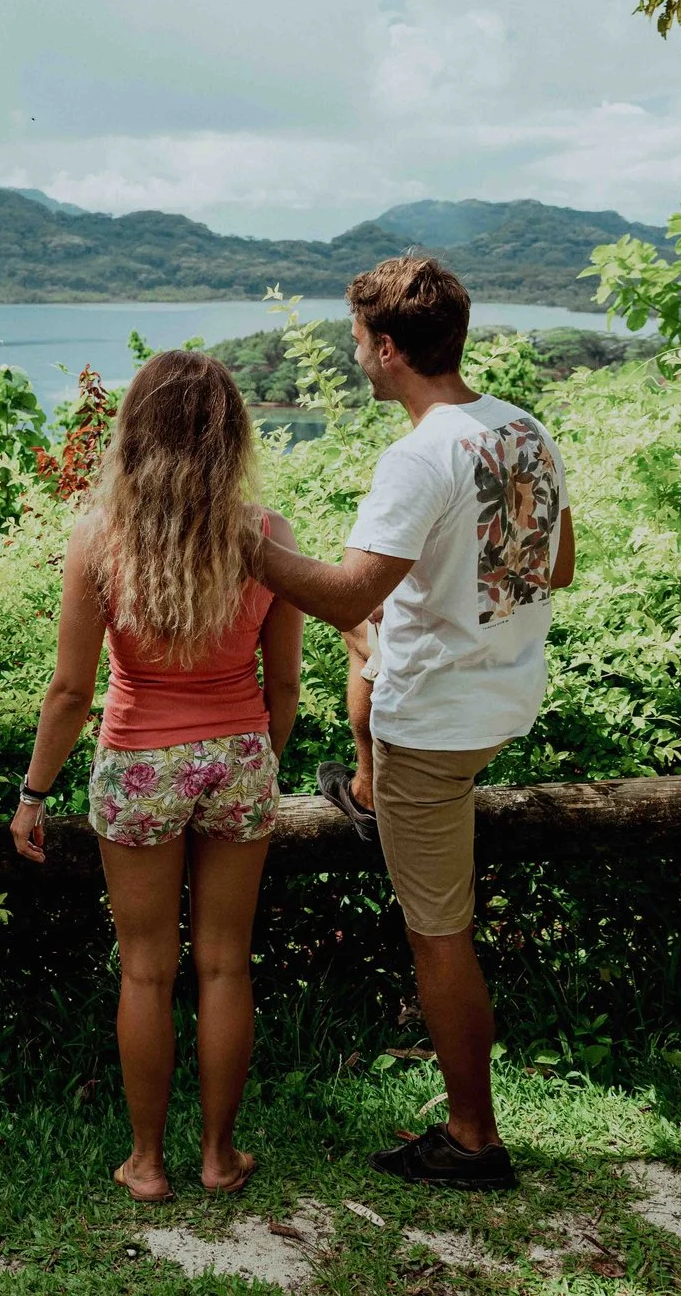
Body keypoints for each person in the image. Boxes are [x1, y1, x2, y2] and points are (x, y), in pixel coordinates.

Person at [243, 257, 574, 1191]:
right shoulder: (523, 427)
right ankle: (365, 786)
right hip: (504, 692)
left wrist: (248, 546)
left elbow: (345, 587)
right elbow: (558, 565)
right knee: (370, 634)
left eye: (357, 339)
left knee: (440, 934)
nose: (356, 353)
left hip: (434, 724)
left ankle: (473, 1138)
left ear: (386, 349)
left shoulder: (418, 454)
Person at [10, 351, 306, 1203]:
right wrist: (258, 756)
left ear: (135, 432)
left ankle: (147, 1161)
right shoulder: (268, 537)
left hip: (138, 761)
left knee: (146, 969)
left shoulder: (99, 537)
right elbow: (282, 685)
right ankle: (219, 1156)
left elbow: (70, 691)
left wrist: (33, 795)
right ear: (230, 437)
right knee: (225, 965)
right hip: (240, 757)